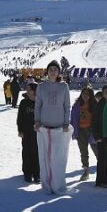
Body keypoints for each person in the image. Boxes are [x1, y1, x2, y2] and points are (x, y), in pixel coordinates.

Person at [34, 60, 71, 195]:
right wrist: (37, 121)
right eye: (51, 69)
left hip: (60, 127)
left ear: (59, 72)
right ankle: (47, 183)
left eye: (56, 69)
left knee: (57, 158)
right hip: (44, 126)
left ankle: (57, 183)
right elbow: (38, 105)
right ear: (47, 72)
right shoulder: (41, 86)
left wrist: (66, 123)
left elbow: (67, 106)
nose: (53, 71)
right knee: (45, 157)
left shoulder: (64, 86)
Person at [71, 87, 98, 181]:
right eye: (83, 93)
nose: (85, 95)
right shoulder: (77, 105)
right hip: (81, 130)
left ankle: (104, 168)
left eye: (88, 94)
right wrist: (74, 130)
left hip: (92, 131)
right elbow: (73, 118)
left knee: (97, 151)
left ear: (91, 95)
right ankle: (86, 170)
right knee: (83, 152)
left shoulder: (95, 105)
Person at [92, 84, 107, 188]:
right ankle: (102, 180)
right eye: (106, 92)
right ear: (103, 93)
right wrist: (96, 136)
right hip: (101, 136)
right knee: (102, 159)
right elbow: (94, 122)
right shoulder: (99, 104)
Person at [17, 82, 39, 183]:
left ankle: (37, 174)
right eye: (27, 89)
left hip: (38, 132)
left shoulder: (40, 102)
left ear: (35, 90)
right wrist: (20, 130)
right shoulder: (23, 103)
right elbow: (20, 118)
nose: (27, 91)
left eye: (29, 89)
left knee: (37, 152)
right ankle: (27, 173)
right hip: (26, 132)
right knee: (26, 152)